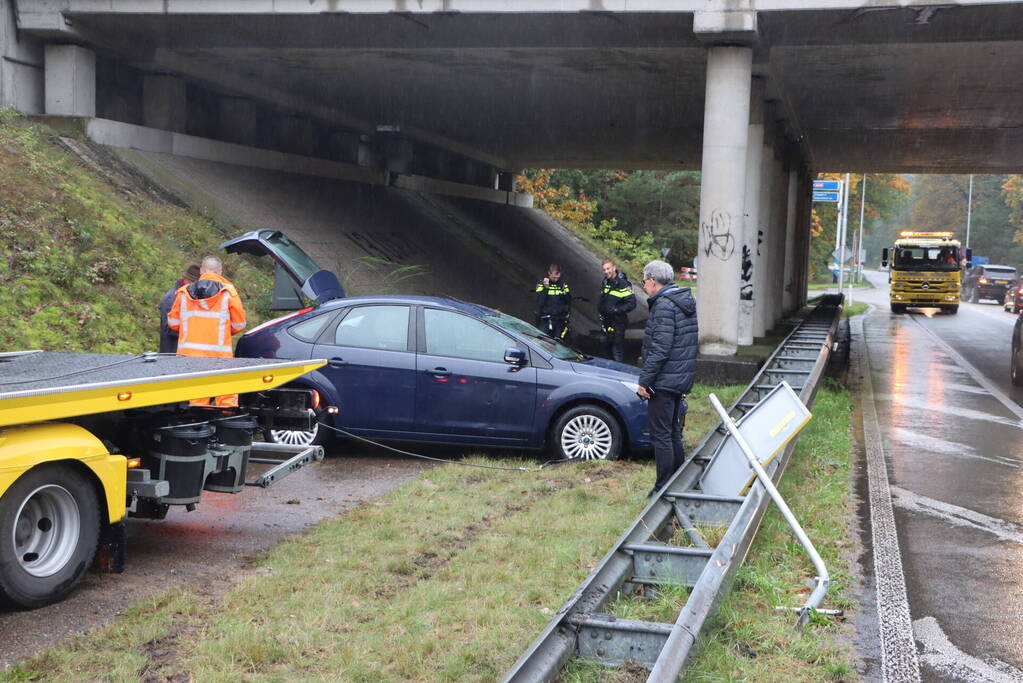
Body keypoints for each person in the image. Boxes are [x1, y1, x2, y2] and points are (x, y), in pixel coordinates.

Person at [637, 259, 698, 496]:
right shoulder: (683, 301)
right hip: (680, 377)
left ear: (653, 281)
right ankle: (678, 482)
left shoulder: (663, 305)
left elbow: (660, 348)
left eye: (644, 281)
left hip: (664, 379)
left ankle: (662, 488)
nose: (644, 286)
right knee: (673, 432)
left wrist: (645, 381)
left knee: (661, 435)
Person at [167, 256, 247, 407]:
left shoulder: (183, 293)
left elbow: (173, 323)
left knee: (196, 396)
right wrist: (221, 332)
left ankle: (196, 424)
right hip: (219, 355)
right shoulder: (229, 293)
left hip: (188, 356)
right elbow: (239, 324)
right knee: (225, 396)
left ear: (202, 271)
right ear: (220, 272)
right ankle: (226, 426)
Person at [598, 259, 637, 362]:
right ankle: (610, 370)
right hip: (606, 322)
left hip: (618, 322)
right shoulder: (605, 282)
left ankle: (618, 372)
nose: (606, 271)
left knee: (617, 350)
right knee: (604, 346)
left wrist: (616, 309)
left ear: (614, 268)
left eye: (608, 268)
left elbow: (632, 303)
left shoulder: (623, 284)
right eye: (604, 269)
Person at [158, 264, 200, 353]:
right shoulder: (171, 298)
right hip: (171, 354)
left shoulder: (189, 296)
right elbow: (169, 329)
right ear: (188, 281)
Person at [535, 264, 571, 339]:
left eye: (558, 276)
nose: (556, 279)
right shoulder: (541, 283)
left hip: (559, 320)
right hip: (546, 320)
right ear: (549, 273)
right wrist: (546, 288)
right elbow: (540, 302)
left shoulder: (563, 285)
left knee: (558, 343)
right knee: (541, 340)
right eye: (554, 277)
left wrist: (564, 292)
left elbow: (568, 301)